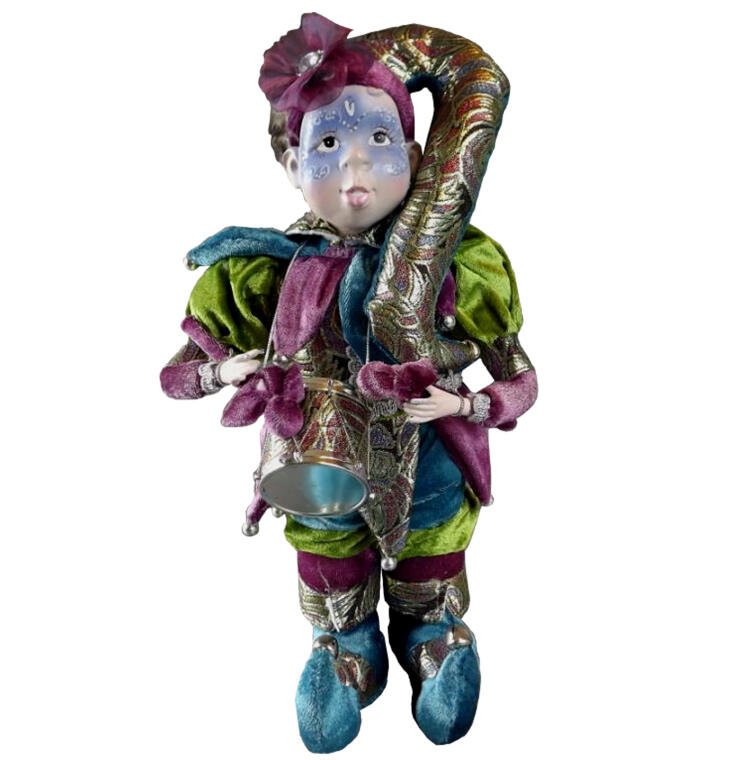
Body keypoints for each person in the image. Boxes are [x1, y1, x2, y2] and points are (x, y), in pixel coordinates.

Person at [161, 13, 537, 753]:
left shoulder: (460, 265)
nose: (355, 168)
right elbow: (174, 377)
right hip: (315, 473)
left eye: (378, 141)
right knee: (330, 567)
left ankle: (433, 638)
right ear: (292, 163)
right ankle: (345, 650)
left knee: (431, 558)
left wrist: (469, 404)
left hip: (426, 470)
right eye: (328, 145)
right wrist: (222, 370)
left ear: (419, 157)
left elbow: (520, 379)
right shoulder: (258, 269)